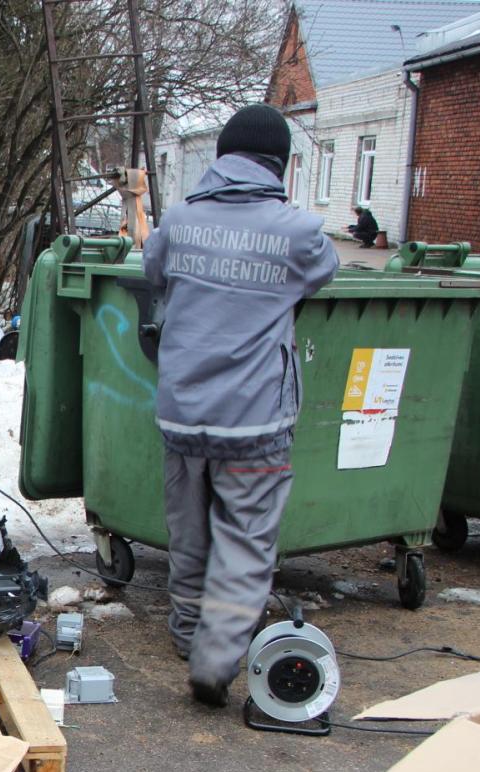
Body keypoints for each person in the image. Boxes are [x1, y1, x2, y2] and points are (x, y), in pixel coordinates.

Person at [142, 104, 339, 707]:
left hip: (182, 413)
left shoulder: (177, 221)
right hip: (254, 422)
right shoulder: (297, 230)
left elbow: (153, 272)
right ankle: (216, 654)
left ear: (222, 158)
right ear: (278, 164)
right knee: (245, 541)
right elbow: (324, 272)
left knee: (190, 533)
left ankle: (185, 634)